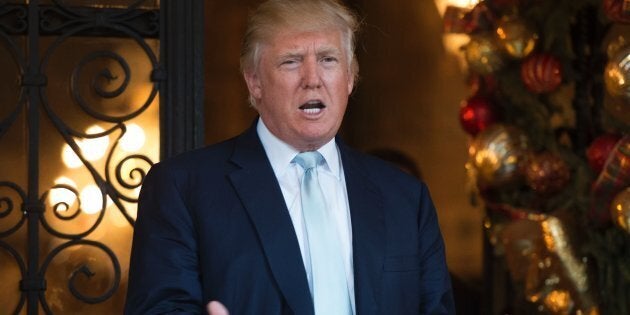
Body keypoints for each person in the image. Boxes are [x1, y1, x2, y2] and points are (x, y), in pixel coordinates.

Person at [124, 0, 455, 314]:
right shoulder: (182, 188)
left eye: (328, 59)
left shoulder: (406, 198)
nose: (312, 80)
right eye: (291, 61)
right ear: (254, 81)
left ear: (350, 78)